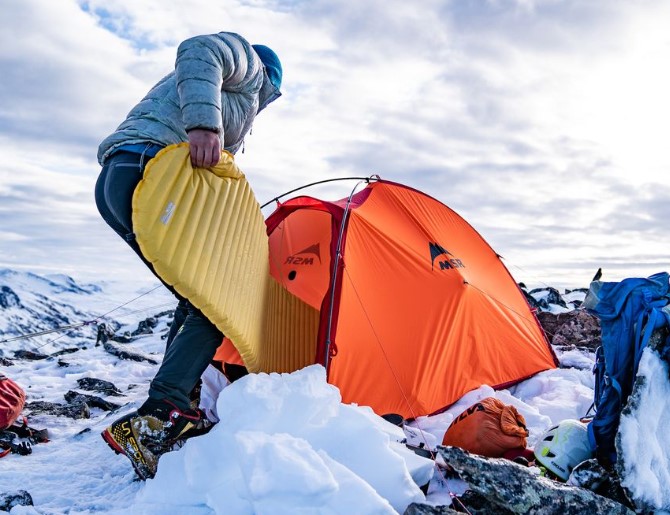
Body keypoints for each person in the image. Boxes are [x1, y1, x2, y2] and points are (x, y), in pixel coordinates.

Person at [95, 31, 282, 480]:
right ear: (269, 80)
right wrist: (205, 125)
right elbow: (200, 48)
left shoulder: (221, 98)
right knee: (215, 300)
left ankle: (174, 403)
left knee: (194, 297)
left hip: (124, 178)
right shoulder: (248, 67)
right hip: (151, 172)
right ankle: (162, 412)